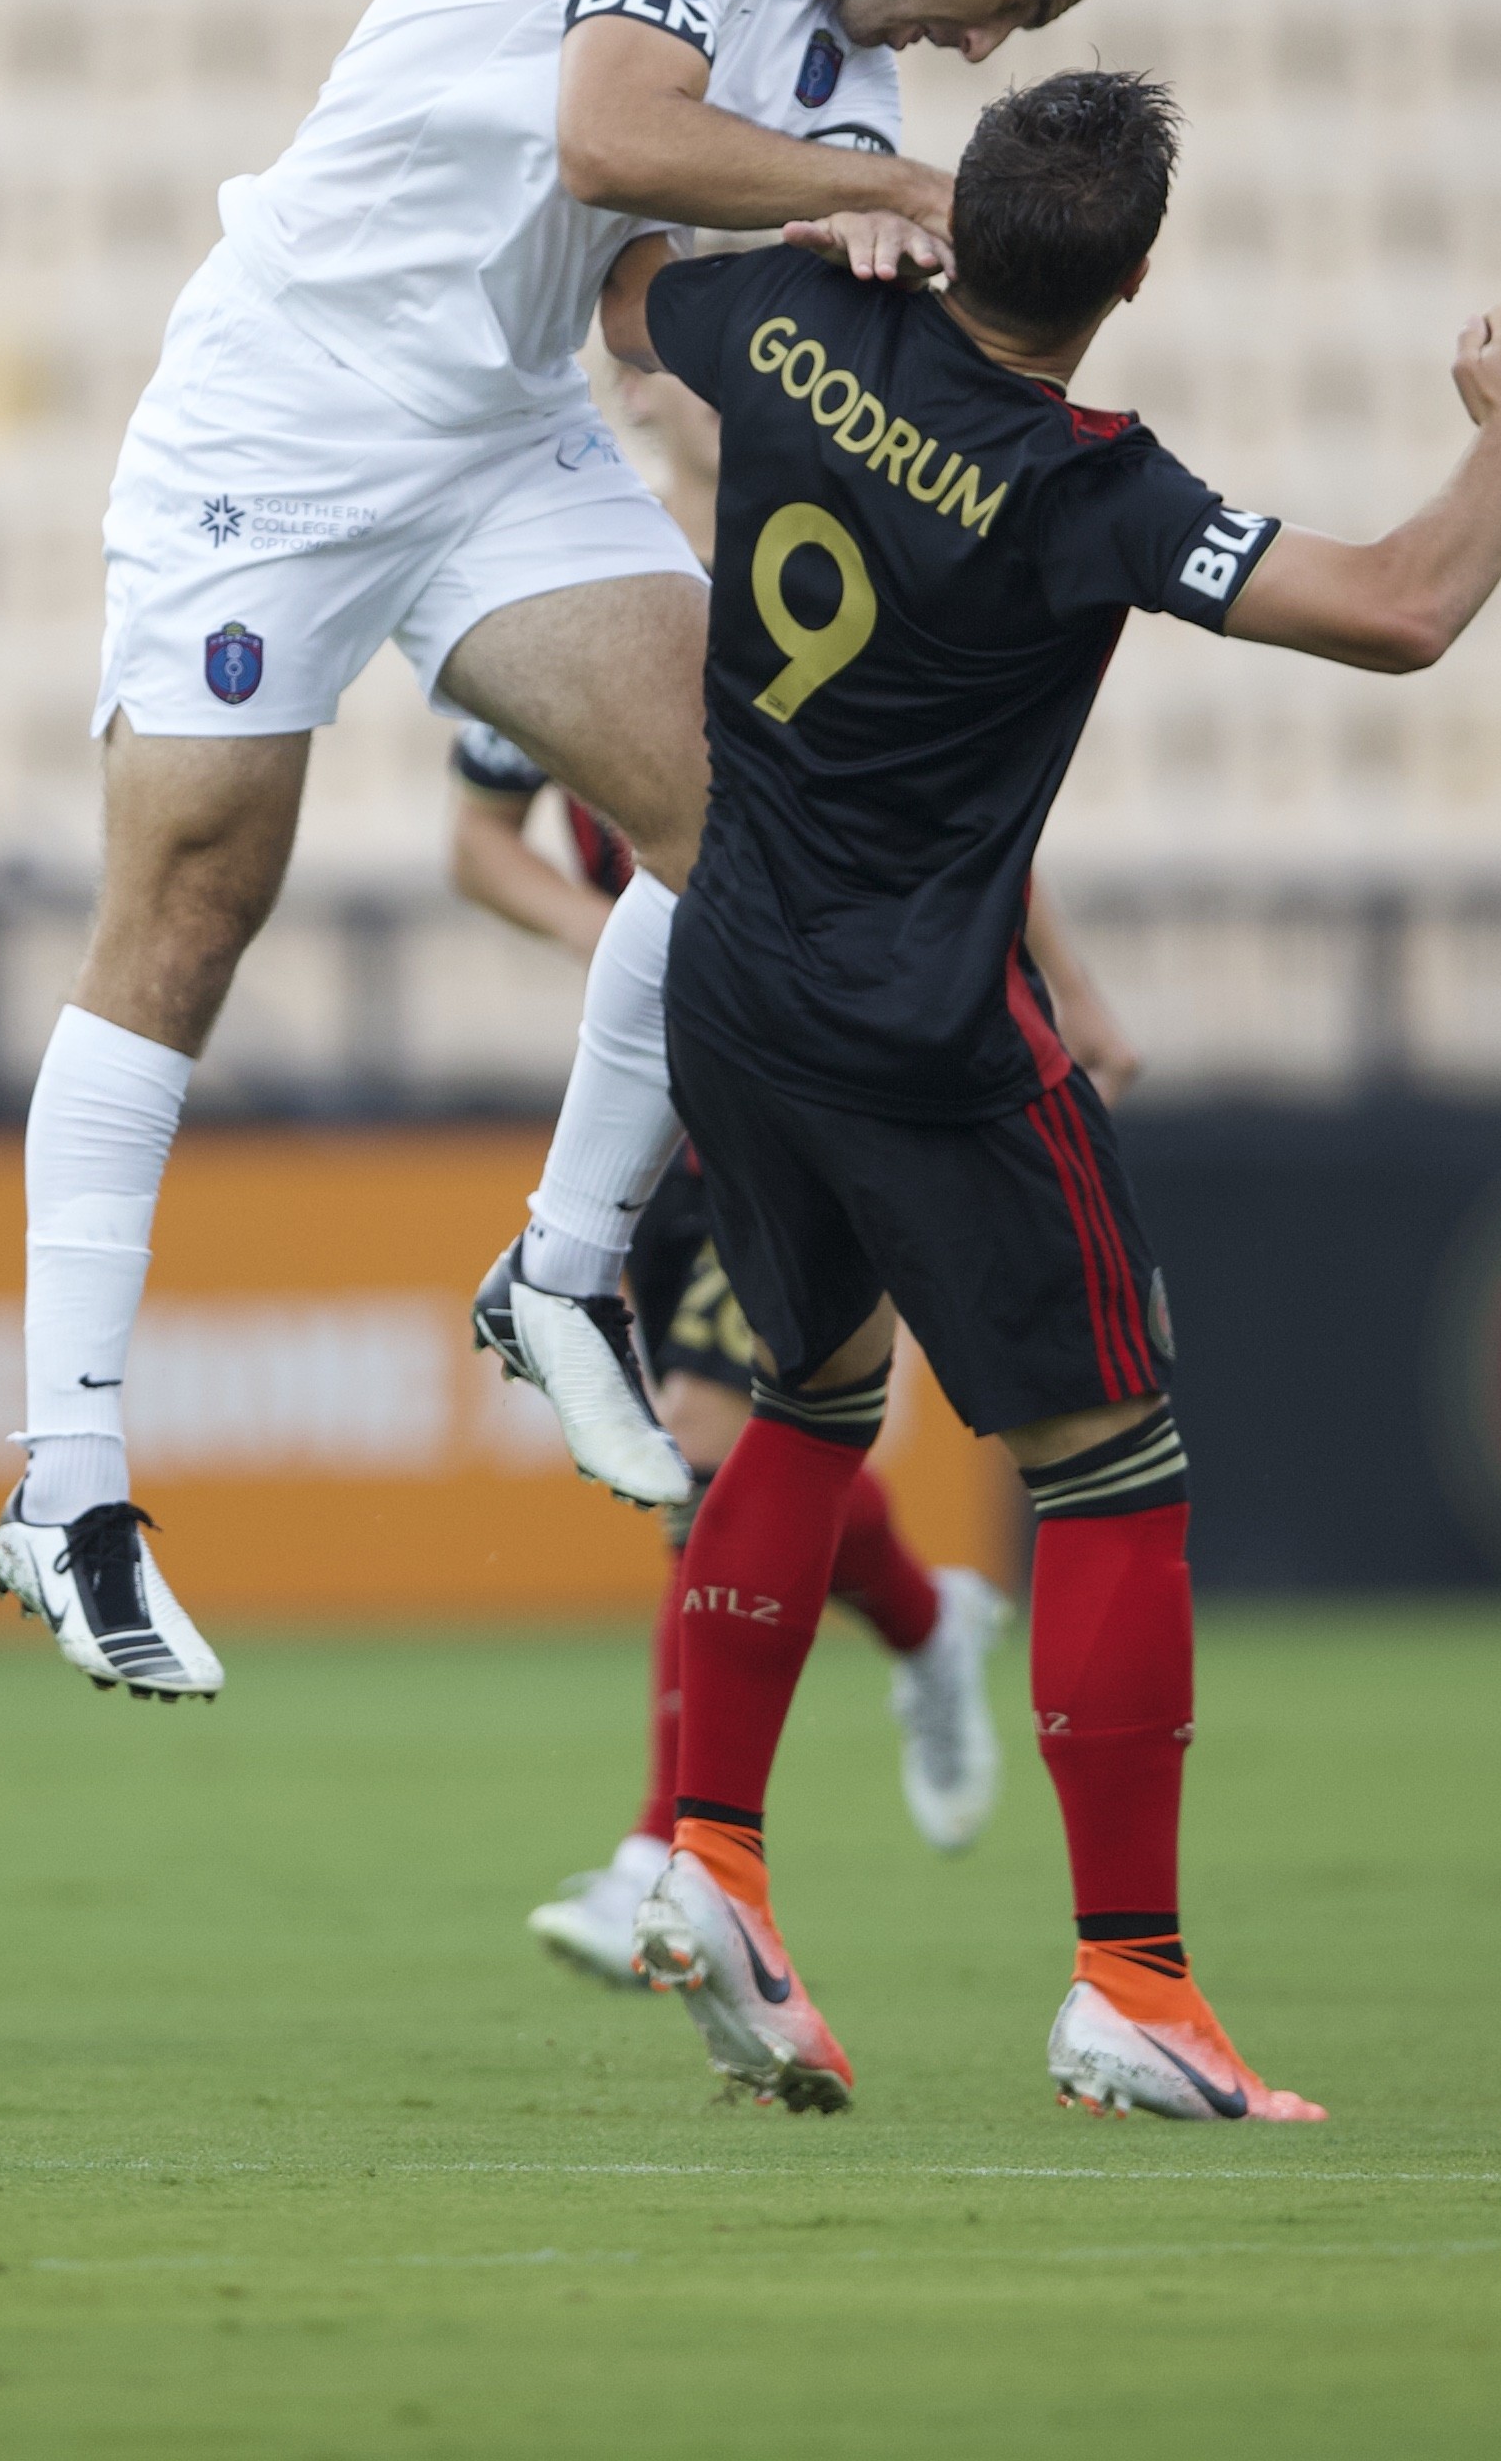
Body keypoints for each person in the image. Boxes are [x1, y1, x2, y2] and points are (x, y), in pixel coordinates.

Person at [1, 0, 1132, 1701]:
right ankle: (69, 1487)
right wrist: (885, 198)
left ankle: (555, 1269)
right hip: (285, 406)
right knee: (193, 904)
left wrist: (860, 286)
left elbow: (632, 292)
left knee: (746, 811)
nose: (984, 47)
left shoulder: (846, 81)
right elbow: (610, 132)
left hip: (502, 437)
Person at [605, 65, 1501, 2121]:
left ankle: (706, 1848)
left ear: (956, 210)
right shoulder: (1088, 483)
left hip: (732, 986)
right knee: (1110, 1463)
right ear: (1134, 276)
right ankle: (1130, 1981)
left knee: (810, 1386)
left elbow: (616, 294)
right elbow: (1403, 608)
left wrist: (821, 222)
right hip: (923, 1035)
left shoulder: (790, 327)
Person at [450, 712, 1055, 1988]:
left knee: (711, 1445)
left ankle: (662, 1851)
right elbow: (478, 842)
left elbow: (970, 814)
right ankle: (925, 1618)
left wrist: (1070, 998)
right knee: (759, 1447)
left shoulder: (818, 553)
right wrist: (616, 943)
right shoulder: (559, 590)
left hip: (814, 1067)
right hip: (655, 1102)